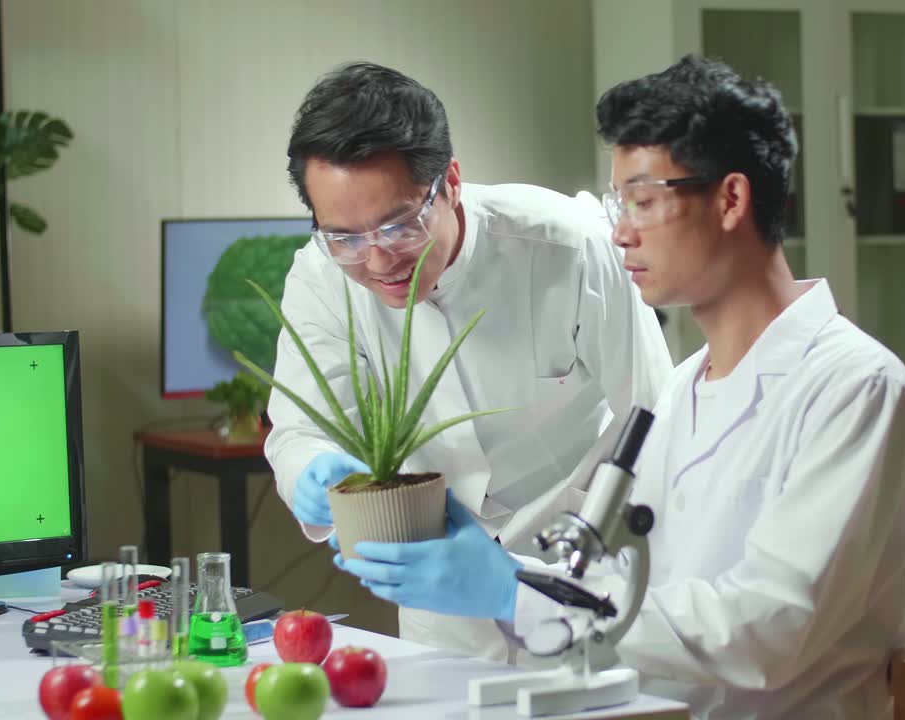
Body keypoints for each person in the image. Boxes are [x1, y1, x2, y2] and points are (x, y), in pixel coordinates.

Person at [337, 55, 905, 719]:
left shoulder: (855, 389)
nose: (621, 232)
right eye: (616, 204)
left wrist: (513, 591)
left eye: (644, 202)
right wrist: (497, 570)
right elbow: (624, 592)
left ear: (731, 200)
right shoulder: (684, 389)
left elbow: (769, 628)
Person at [266, 61, 673, 660]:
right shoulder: (321, 279)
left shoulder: (570, 247)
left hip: (585, 568)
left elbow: (659, 420)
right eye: (345, 238)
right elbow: (302, 428)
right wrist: (314, 470)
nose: (377, 261)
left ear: (450, 182)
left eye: (398, 226)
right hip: (444, 598)